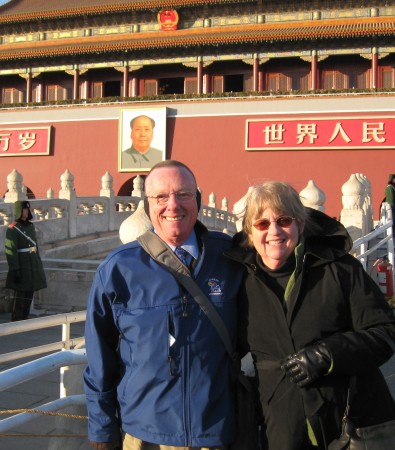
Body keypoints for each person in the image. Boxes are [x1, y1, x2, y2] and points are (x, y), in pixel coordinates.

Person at [84, 160, 243, 450]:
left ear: (198, 199)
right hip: (144, 433)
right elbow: (99, 358)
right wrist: (102, 429)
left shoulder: (231, 259)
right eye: (160, 197)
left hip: (217, 431)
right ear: (147, 205)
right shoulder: (119, 268)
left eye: (183, 194)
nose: (173, 205)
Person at [226, 181, 395, 450]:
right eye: (262, 224)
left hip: (349, 424)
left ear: (300, 225)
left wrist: (328, 355)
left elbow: (385, 332)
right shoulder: (237, 281)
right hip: (278, 427)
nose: (274, 232)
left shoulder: (339, 268)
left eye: (284, 221)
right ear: (249, 232)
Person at [4, 200, 47, 321]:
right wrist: (15, 269)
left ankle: (25, 316)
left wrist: (37, 264)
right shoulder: (13, 229)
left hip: (32, 263)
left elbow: (35, 247)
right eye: (24, 209)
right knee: (20, 294)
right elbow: (11, 251)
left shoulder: (30, 226)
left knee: (30, 291)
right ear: (19, 211)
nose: (27, 211)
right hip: (22, 264)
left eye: (28, 209)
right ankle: (17, 318)